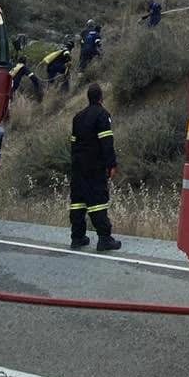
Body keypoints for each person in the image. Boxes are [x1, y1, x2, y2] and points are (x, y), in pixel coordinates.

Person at [68, 82, 120, 252]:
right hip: (94, 165)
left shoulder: (77, 117)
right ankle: (104, 239)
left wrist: (75, 164)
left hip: (77, 165)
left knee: (78, 201)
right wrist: (111, 164)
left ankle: (77, 237)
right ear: (101, 98)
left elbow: (73, 144)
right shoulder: (102, 115)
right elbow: (107, 142)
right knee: (98, 200)